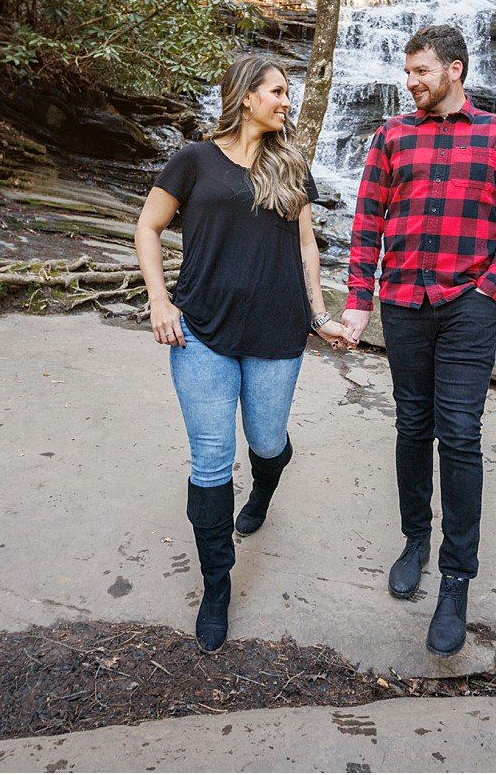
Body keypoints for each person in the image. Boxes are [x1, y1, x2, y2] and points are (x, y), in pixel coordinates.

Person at [134, 55, 350, 654]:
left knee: (266, 440)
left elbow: (307, 247)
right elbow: (147, 228)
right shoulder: (193, 160)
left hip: (278, 331)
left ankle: (262, 490)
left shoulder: (291, 166)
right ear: (246, 95)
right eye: (279, 91)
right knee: (209, 458)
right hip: (201, 328)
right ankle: (217, 586)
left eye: (288, 92)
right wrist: (159, 300)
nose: (287, 101)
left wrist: (321, 315)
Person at [340, 23, 496, 658]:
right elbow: (367, 219)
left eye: (421, 71)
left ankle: (456, 579)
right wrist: (358, 302)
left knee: (461, 434)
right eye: (408, 71)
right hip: (402, 303)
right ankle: (415, 540)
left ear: (455, 70)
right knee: (411, 425)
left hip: (468, 308)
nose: (410, 81)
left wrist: (490, 288)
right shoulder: (392, 136)